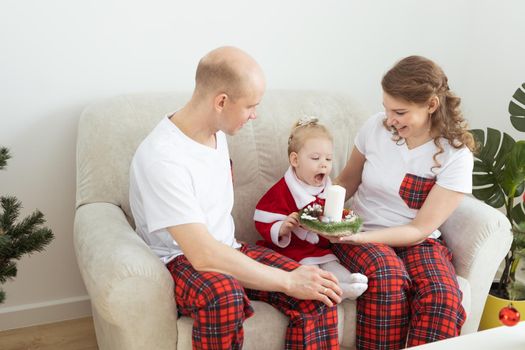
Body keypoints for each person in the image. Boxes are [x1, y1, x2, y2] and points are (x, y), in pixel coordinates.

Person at [129, 46, 342, 350]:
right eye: (250, 106)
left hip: (229, 248)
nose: (254, 115)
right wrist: (288, 281)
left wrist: (299, 279)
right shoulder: (162, 158)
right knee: (224, 296)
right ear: (221, 101)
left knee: (320, 292)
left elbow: (220, 244)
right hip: (181, 259)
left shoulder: (217, 132)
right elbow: (202, 254)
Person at [329, 56, 475, 349]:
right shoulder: (375, 128)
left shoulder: (455, 156)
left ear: (431, 105)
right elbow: (345, 183)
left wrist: (362, 238)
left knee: (443, 296)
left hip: (414, 238)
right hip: (362, 229)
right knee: (388, 277)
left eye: (400, 112)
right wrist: (324, 216)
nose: (390, 119)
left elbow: (419, 229)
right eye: (386, 108)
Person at [254, 116, 368, 300]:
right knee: (314, 272)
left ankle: (347, 281)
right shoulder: (284, 190)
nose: (324, 164)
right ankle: (338, 289)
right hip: (293, 251)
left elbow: (331, 215)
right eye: (315, 158)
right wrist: (282, 227)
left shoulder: (328, 189)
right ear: (295, 160)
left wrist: (338, 223)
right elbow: (263, 217)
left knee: (333, 264)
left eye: (329, 159)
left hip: (319, 249)